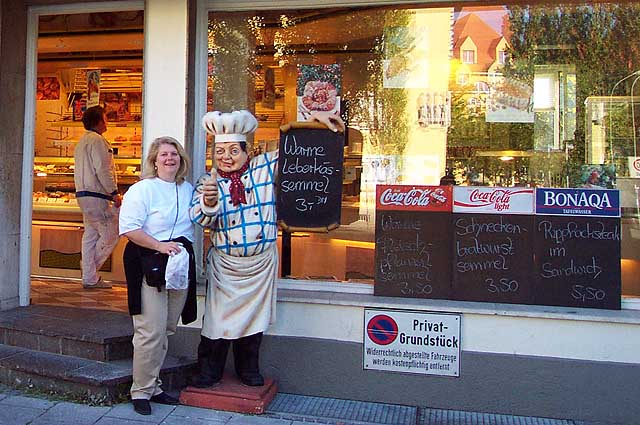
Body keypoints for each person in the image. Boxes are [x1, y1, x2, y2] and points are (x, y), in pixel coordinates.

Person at [189, 109, 344, 388]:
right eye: (221, 150)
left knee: (254, 321)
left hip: (260, 264)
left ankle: (248, 368)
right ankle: (209, 369)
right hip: (227, 266)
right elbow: (200, 219)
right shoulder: (207, 182)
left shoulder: (263, 168)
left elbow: (296, 155)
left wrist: (317, 124)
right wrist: (209, 202)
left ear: (246, 151)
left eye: (234, 150)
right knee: (217, 321)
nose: (227, 156)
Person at [119, 136, 197, 416]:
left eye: (174, 154)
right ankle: (140, 390)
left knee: (166, 328)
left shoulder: (188, 189)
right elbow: (129, 229)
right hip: (149, 261)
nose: (169, 159)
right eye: (163, 154)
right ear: (154, 160)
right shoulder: (142, 190)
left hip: (178, 265)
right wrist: (160, 246)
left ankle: (154, 385)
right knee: (149, 331)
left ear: (181, 159)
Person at [74, 105, 121, 289]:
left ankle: (89, 277)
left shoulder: (82, 142)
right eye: (105, 118)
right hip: (97, 195)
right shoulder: (97, 141)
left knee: (90, 235)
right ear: (99, 121)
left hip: (83, 195)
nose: (107, 121)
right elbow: (102, 169)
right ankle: (90, 272)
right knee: (111, 233)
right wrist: (114, 192)